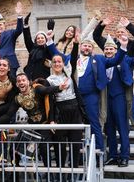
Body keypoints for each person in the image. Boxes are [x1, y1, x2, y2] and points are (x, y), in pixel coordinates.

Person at [46, 30, 128, 152]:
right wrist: (49, 40)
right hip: (73, 97)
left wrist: (123, 47)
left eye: (89, 46)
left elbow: (115, 61)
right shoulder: (70, 58)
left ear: (92, 49)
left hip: (91, 96)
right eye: (85, 45)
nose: (87, 48)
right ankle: (76, 151)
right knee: (76, 125)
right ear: (80, 46)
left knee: (94, 122)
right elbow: (55, 54)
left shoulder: (99, 59)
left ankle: (98, 150)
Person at [103, 29, 134, 167]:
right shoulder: (102, 62)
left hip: (120, 98)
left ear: (115, 49)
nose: (108, 51)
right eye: (106, 49)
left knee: (123, 128)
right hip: (106, 100)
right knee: (110, 129)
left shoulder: (125, 59)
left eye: (111, 49)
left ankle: (124, 156)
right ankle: (113, 155)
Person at [46, 31, 85, 173]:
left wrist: (75, 44)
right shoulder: (48, 80)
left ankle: (74, 173)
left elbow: (73, 59)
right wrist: (51, 120)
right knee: (60, 146)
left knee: (75, 144)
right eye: (54, 62)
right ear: (51, 64)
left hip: (74, 110)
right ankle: (61, 173)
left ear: (63, 64)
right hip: (59, 113)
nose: (57, 63)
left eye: (59, 61)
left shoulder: (69, 73)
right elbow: (49, 101)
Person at [12, 73, 64, 170]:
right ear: (17, 84)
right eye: (19, 81)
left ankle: (49, 176)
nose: (21, 82)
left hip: (45, 126)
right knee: (14, 147)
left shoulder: (36, 89)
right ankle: (15, 175)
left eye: (23, 80)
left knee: (44, 149)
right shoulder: (18, 98)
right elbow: (8, 114)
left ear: (28, 82)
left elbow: (47, 90)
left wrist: (59, 87)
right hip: (32, 128)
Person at [0, 2, 24, 74]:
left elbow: (19, 30)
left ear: (4, 26)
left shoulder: (10, 33)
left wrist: (19, 15)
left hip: (10, 65)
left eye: (0, 24)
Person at [23, 14, 54, 81]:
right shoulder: (32, 48)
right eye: (38, 38)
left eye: (42, 38)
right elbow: (27, 38)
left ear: (46, 39)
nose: (40, 39)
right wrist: (25, 25)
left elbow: (50, 45)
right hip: (29, 77)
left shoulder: (47, 49)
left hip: (42, 79)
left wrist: (50, 30)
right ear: (36, 40)